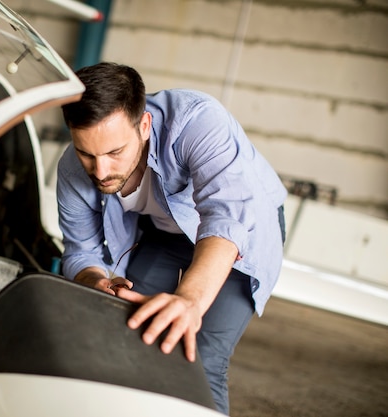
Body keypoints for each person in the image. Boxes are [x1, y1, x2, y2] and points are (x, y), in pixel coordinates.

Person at [56, 62, 287, 415]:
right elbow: (80, 250)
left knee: (200, 358)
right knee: (131, 332)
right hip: (165, 234)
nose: (99, 172)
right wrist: (96, 280)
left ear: (144, 125)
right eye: (87, 153)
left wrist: (191, 301)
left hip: (242, 229)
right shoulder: (72, 171)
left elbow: (228, 217)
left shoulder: (198, 122)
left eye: (115, 153)